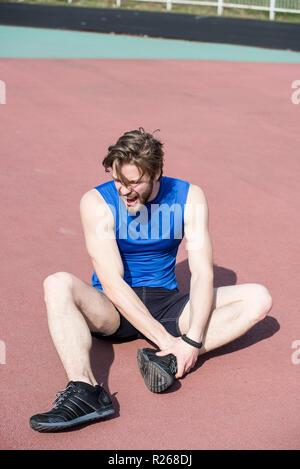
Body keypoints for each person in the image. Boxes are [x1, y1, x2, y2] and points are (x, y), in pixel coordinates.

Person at [30, 128, 273, 432]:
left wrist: (191, 341)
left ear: (157, 172)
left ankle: (172, 361)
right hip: (112, 309)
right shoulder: (96, 202)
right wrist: (165, 341)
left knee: (259, 298)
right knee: (57, 283)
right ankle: (86, 390)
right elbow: (112, 282)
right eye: (118, 180)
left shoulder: (189, 196)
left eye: (133, 182)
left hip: (167, 303)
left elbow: (200, 272)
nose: (123, 190)